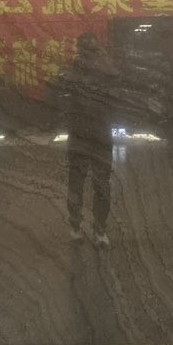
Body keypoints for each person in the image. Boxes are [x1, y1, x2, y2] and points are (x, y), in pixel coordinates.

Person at [63, 32, 118, 248]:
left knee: (79, 183)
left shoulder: (74, 72)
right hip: (96, 136)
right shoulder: (86, 72)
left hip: (84, 136)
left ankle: (78, 228)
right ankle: (98, 230)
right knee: (98, 184)